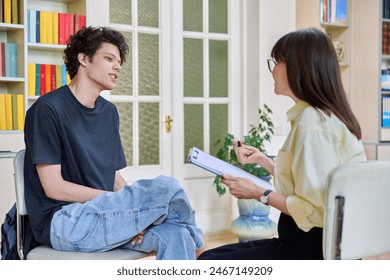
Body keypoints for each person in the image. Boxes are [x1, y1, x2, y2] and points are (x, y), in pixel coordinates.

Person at [23, 26, 205, 260]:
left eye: (119, 62)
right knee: (167, 187)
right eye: (109, 58)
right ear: (84, 59)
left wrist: (133, 215)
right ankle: (204, 251)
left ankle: (196, 247)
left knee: (177, 234)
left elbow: (115, 179)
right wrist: (121, 206)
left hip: (106, 214)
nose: (117, 67)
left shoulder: (109, 112)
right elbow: (54, 187)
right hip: (64, 222)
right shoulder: (47, 109)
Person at [198, 27, 367, 260]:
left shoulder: (313, 124)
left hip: (309, 251)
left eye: (276, 61)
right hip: (310, 244)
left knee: (209, 261)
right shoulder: (322, 118)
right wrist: (263, 161)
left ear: (298, 67)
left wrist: (259, 193)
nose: (272, 69)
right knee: (212, 256)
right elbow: (310, 184)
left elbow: (313, 210)